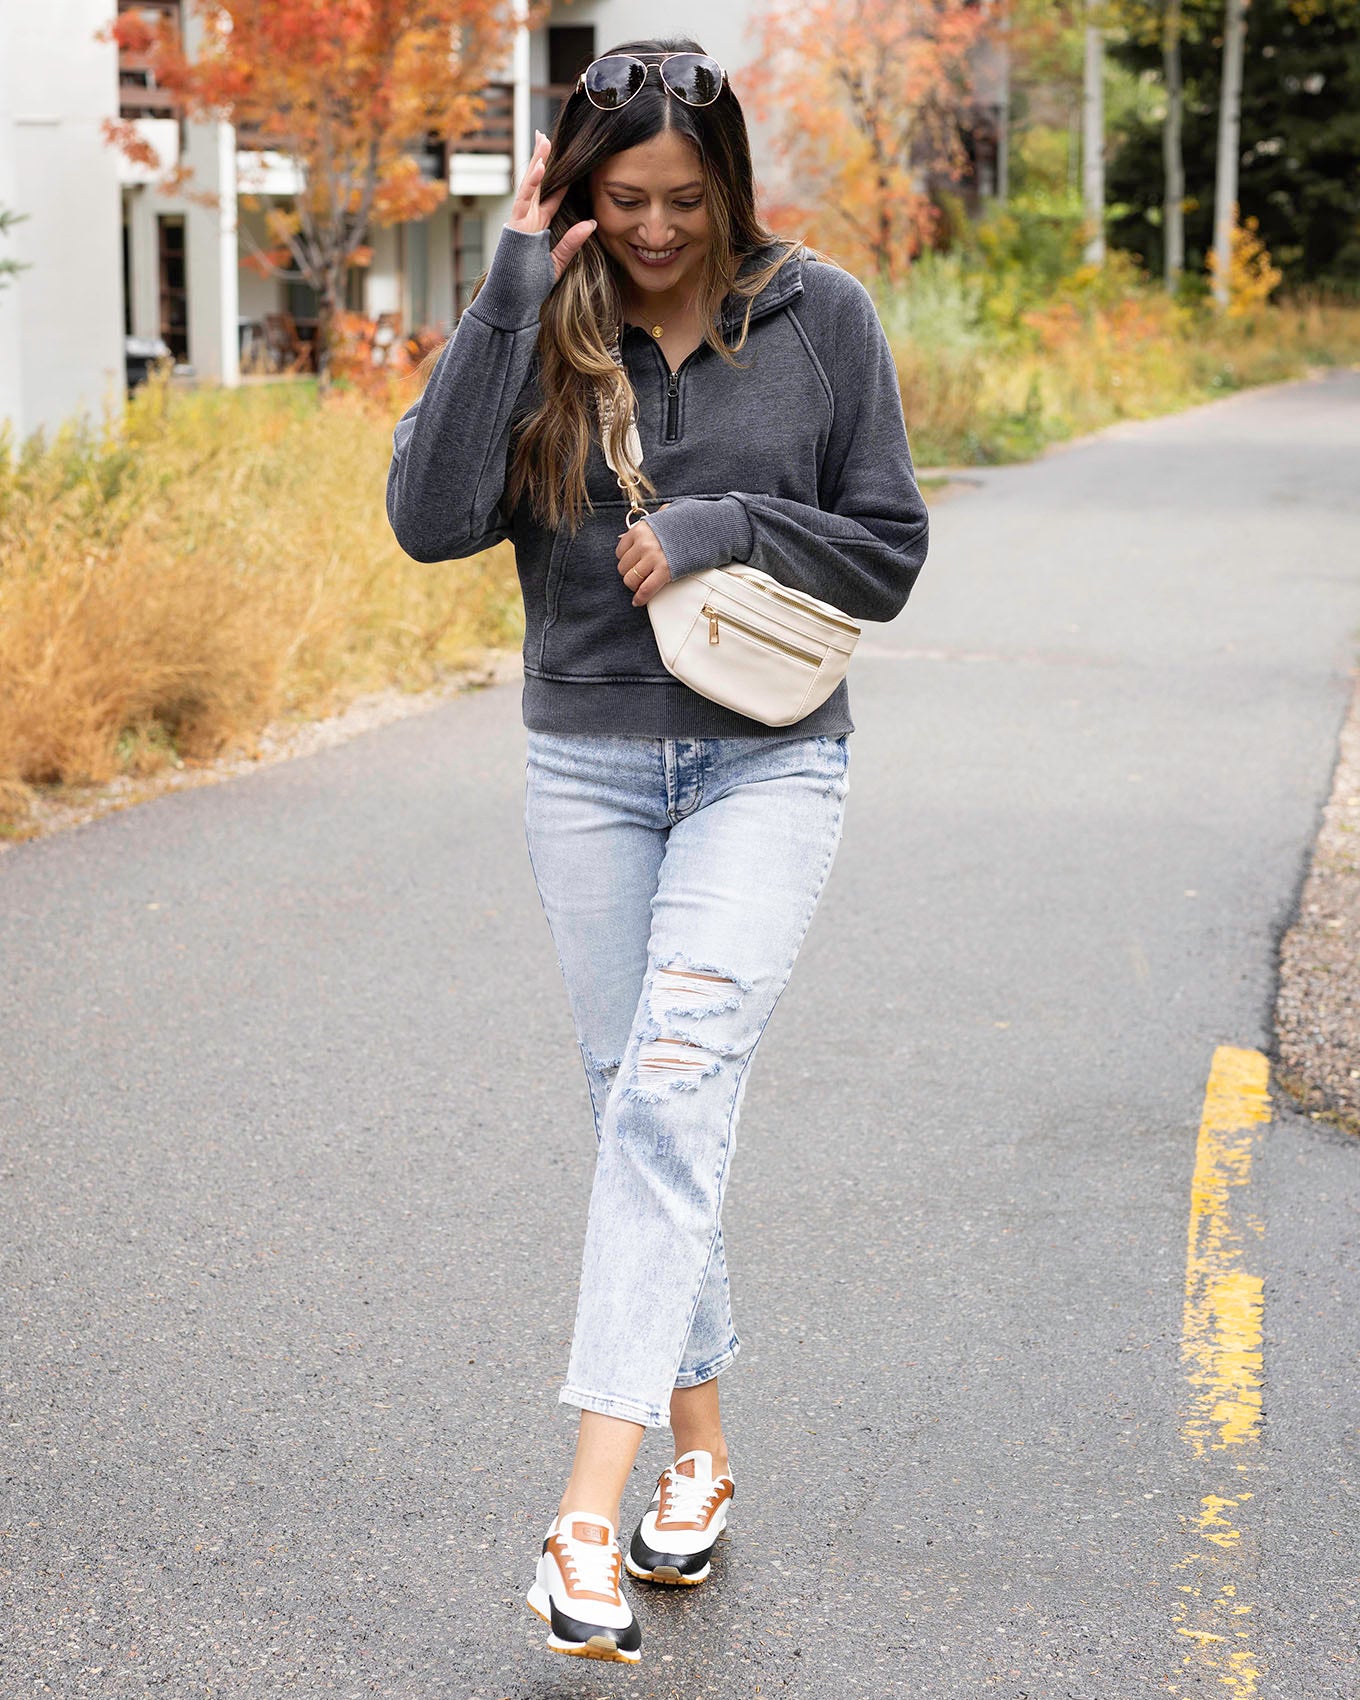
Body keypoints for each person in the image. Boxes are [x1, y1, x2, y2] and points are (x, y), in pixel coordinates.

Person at [386, 35, 929, 1666]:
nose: (657, 229)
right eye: (623, 199)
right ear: (576, 190)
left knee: (675, 1082)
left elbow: (890, 549)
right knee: (637, 1099)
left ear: (732, 186)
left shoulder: (820, 317)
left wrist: (729, 526)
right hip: (590, 768)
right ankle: (700, 1454)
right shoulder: (542, 321)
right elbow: (428, 517)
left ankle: (581, 1515)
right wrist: (504, 281)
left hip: (769, 765)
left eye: (686, 198)